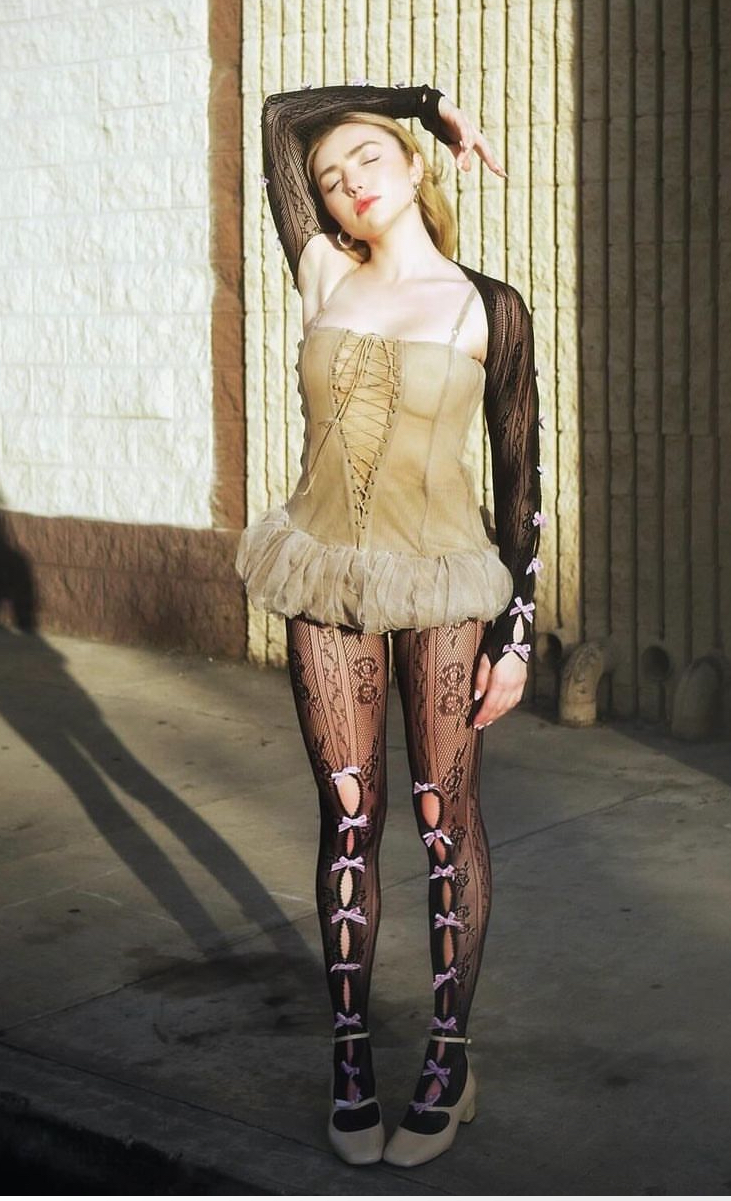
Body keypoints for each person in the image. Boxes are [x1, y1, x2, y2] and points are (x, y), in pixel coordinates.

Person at [235, 80, 544, 1168]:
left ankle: (449, 1056)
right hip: (326, 572)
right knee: (351, 814)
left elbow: (519, 480)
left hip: (447, 581)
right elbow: (279, 117)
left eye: (369, 156)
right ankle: (353, 1059)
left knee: (441, 814)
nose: (346, 182)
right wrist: (415, 97)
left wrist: (517, 633)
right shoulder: (323, 270)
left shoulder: (488, 307)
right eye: (329, 179)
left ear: (415, 166)